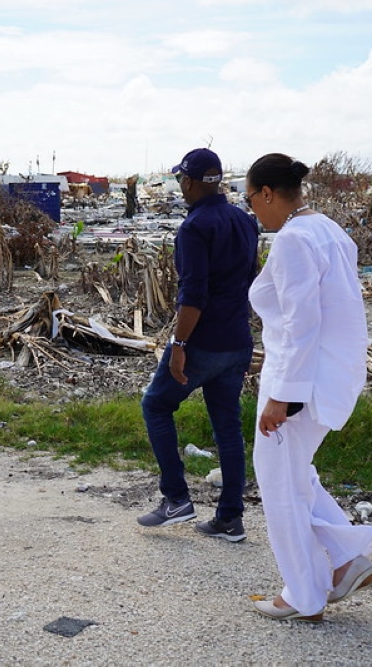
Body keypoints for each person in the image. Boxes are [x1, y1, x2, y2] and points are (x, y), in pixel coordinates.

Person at [245, 153, 372, 622]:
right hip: (330, 373)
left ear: (266, 193)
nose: (253, 211)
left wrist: (283, 396)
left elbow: (302, 325)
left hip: (302, 380)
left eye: (251, 199)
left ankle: (303, 595)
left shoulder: (294, 240)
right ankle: (346, 560)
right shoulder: (329, 230)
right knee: (296, 474)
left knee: (280, 484)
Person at [136, 148, 259, 542]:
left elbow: (194, 295)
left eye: (180, 180)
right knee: (227, 427)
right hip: (237, 340)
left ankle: (176, 498)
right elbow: (250, 279)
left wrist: (179, 343)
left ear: (188, 181)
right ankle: (229, 518)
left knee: (156, 404)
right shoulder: (245, 221)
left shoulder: (194, 228)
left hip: (202, 342)